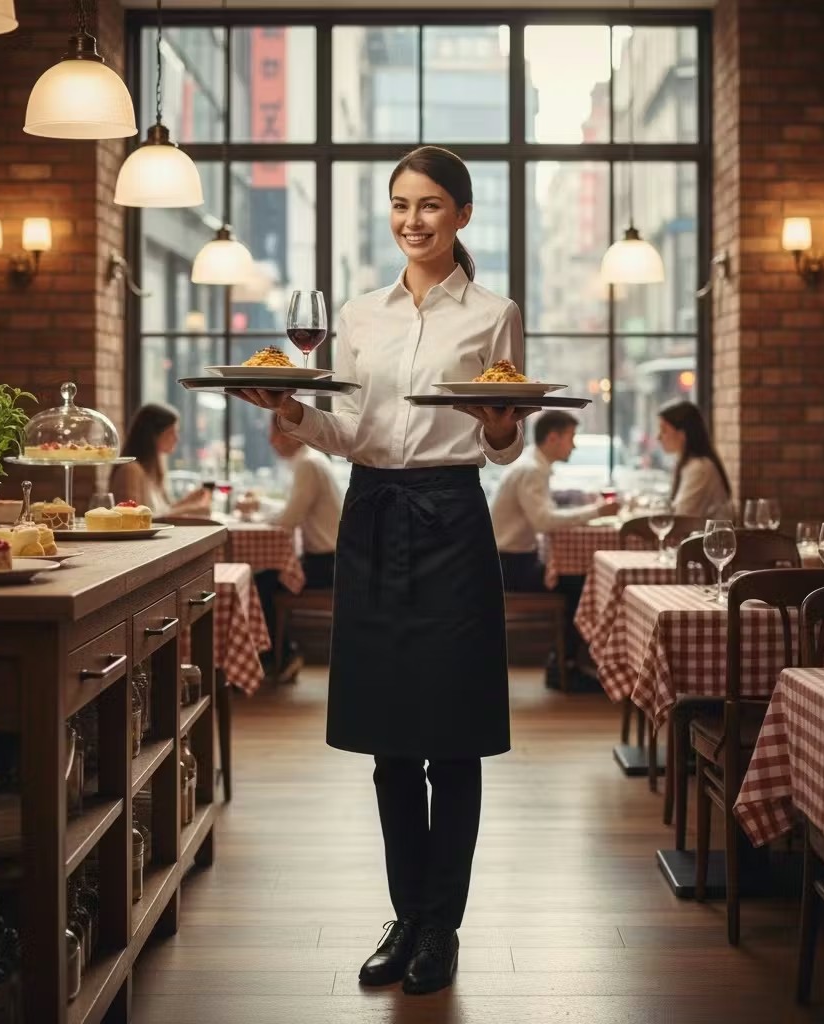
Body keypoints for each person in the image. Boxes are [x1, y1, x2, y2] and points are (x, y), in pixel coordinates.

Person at [231, 145, 527, 996]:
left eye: (431, 205)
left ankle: (443, 925)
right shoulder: (359, 315)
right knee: (390, 743)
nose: (413, 220)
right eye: (401, 204)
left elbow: (496, 441)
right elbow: (345, 428)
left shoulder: (495, 313)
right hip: (372, 515)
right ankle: (405, 916)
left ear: (463, 215)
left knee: (453, 741)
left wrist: (505, 428)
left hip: (451, 517)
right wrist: (291, 409)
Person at [491, 410, 618, 687]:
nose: (574, 445)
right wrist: (597, 511)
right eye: (571, 437)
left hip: (512, 560)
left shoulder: (533, 465)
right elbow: (544, 521)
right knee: (583, 585)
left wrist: (584, 502)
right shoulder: (531, 470)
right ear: (553, 438)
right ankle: (565, 668)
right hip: (509, 566)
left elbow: (545, 508)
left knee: (580, 581)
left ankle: (565, 663)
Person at [239, 413, 343, 682]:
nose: (272, 441)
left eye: (276, 434)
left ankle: (280, 657)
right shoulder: (311, 461)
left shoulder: (307, 464)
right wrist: (261, 508)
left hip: (328, 564)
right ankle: (277, 655)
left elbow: (289, 520)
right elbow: (292, 511)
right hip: (331, 558)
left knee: (261, 583)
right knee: (265, 579)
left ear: (292, 434)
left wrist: (256, 515)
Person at [109, 404, 211, 517]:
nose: (177, 438)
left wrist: (188, 501)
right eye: (171, 432)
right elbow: (134, 518)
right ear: (153, 435)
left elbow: (161, 512)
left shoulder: (154, 470)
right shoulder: (131, 470)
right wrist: (188, 508)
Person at [656, 400, 734, 519]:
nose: (659, 437)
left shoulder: (700, 468)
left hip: (708, 537)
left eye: (664, 430)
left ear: (682, 434)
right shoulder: (687, 464)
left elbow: (680, 518)